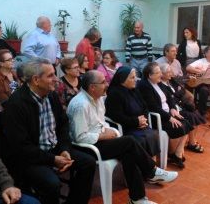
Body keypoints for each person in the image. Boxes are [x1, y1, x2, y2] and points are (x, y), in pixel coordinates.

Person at [67, 70, 178, 204]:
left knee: (129, 154)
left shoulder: (98, 98)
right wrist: (103, 135)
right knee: (130, 141)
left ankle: (138, 198)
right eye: (103, 82)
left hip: (99, 140)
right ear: (92, 87)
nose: (107, 84)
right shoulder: (81, 104)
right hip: (87, 147)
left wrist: (110, 131)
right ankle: (151, 172)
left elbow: (101, 122)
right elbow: (80, 137)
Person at [2, 58, 96, 204]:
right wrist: (53, 160)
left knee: (88, 163)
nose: (56, 79)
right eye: (51, 75)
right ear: (36, 80)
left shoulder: (51, 95)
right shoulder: (16, 104)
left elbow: (63, 124)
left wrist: (65, 149)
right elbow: (21, 147)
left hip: (53, 148)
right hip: (29, 157)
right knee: (52, 184)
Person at [137, 62, 192, 168]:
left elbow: (170, 97)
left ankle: (177, 153)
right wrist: (169, 117)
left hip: (167, 113)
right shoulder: (145, 86)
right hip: (157, 117)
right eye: (158, 72)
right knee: (179, 127)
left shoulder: (158, 82)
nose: (161, 74)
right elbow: (153, 107)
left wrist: (172, 108)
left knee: (187, 123)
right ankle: (173, 154)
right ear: (150, 75)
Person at [105, 66, 160, 157]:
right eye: (132, 77)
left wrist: (144, 119)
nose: (136, 80)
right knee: (142, 139)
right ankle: (148, 168)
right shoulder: (114, 94)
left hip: (140, 124)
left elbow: (145, 107)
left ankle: (151, 166)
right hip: (126, 128)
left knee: (153, 134)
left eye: (135, 77)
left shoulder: (134, 90)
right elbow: (117, 116)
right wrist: (136, 122)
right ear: (123, 80)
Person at [158, 63, 206, 153]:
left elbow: (182, 90)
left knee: (195, 113)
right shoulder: (161, 85)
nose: (171, 74)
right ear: (162, 74)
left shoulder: (171, 80)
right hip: (173, 109)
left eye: (170, 71)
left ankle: (192, 141)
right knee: (191, 116)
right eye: (168, 72)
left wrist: (177, 93)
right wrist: (177, 93)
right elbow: (172, 98)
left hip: (179, 105)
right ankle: (191, 144)